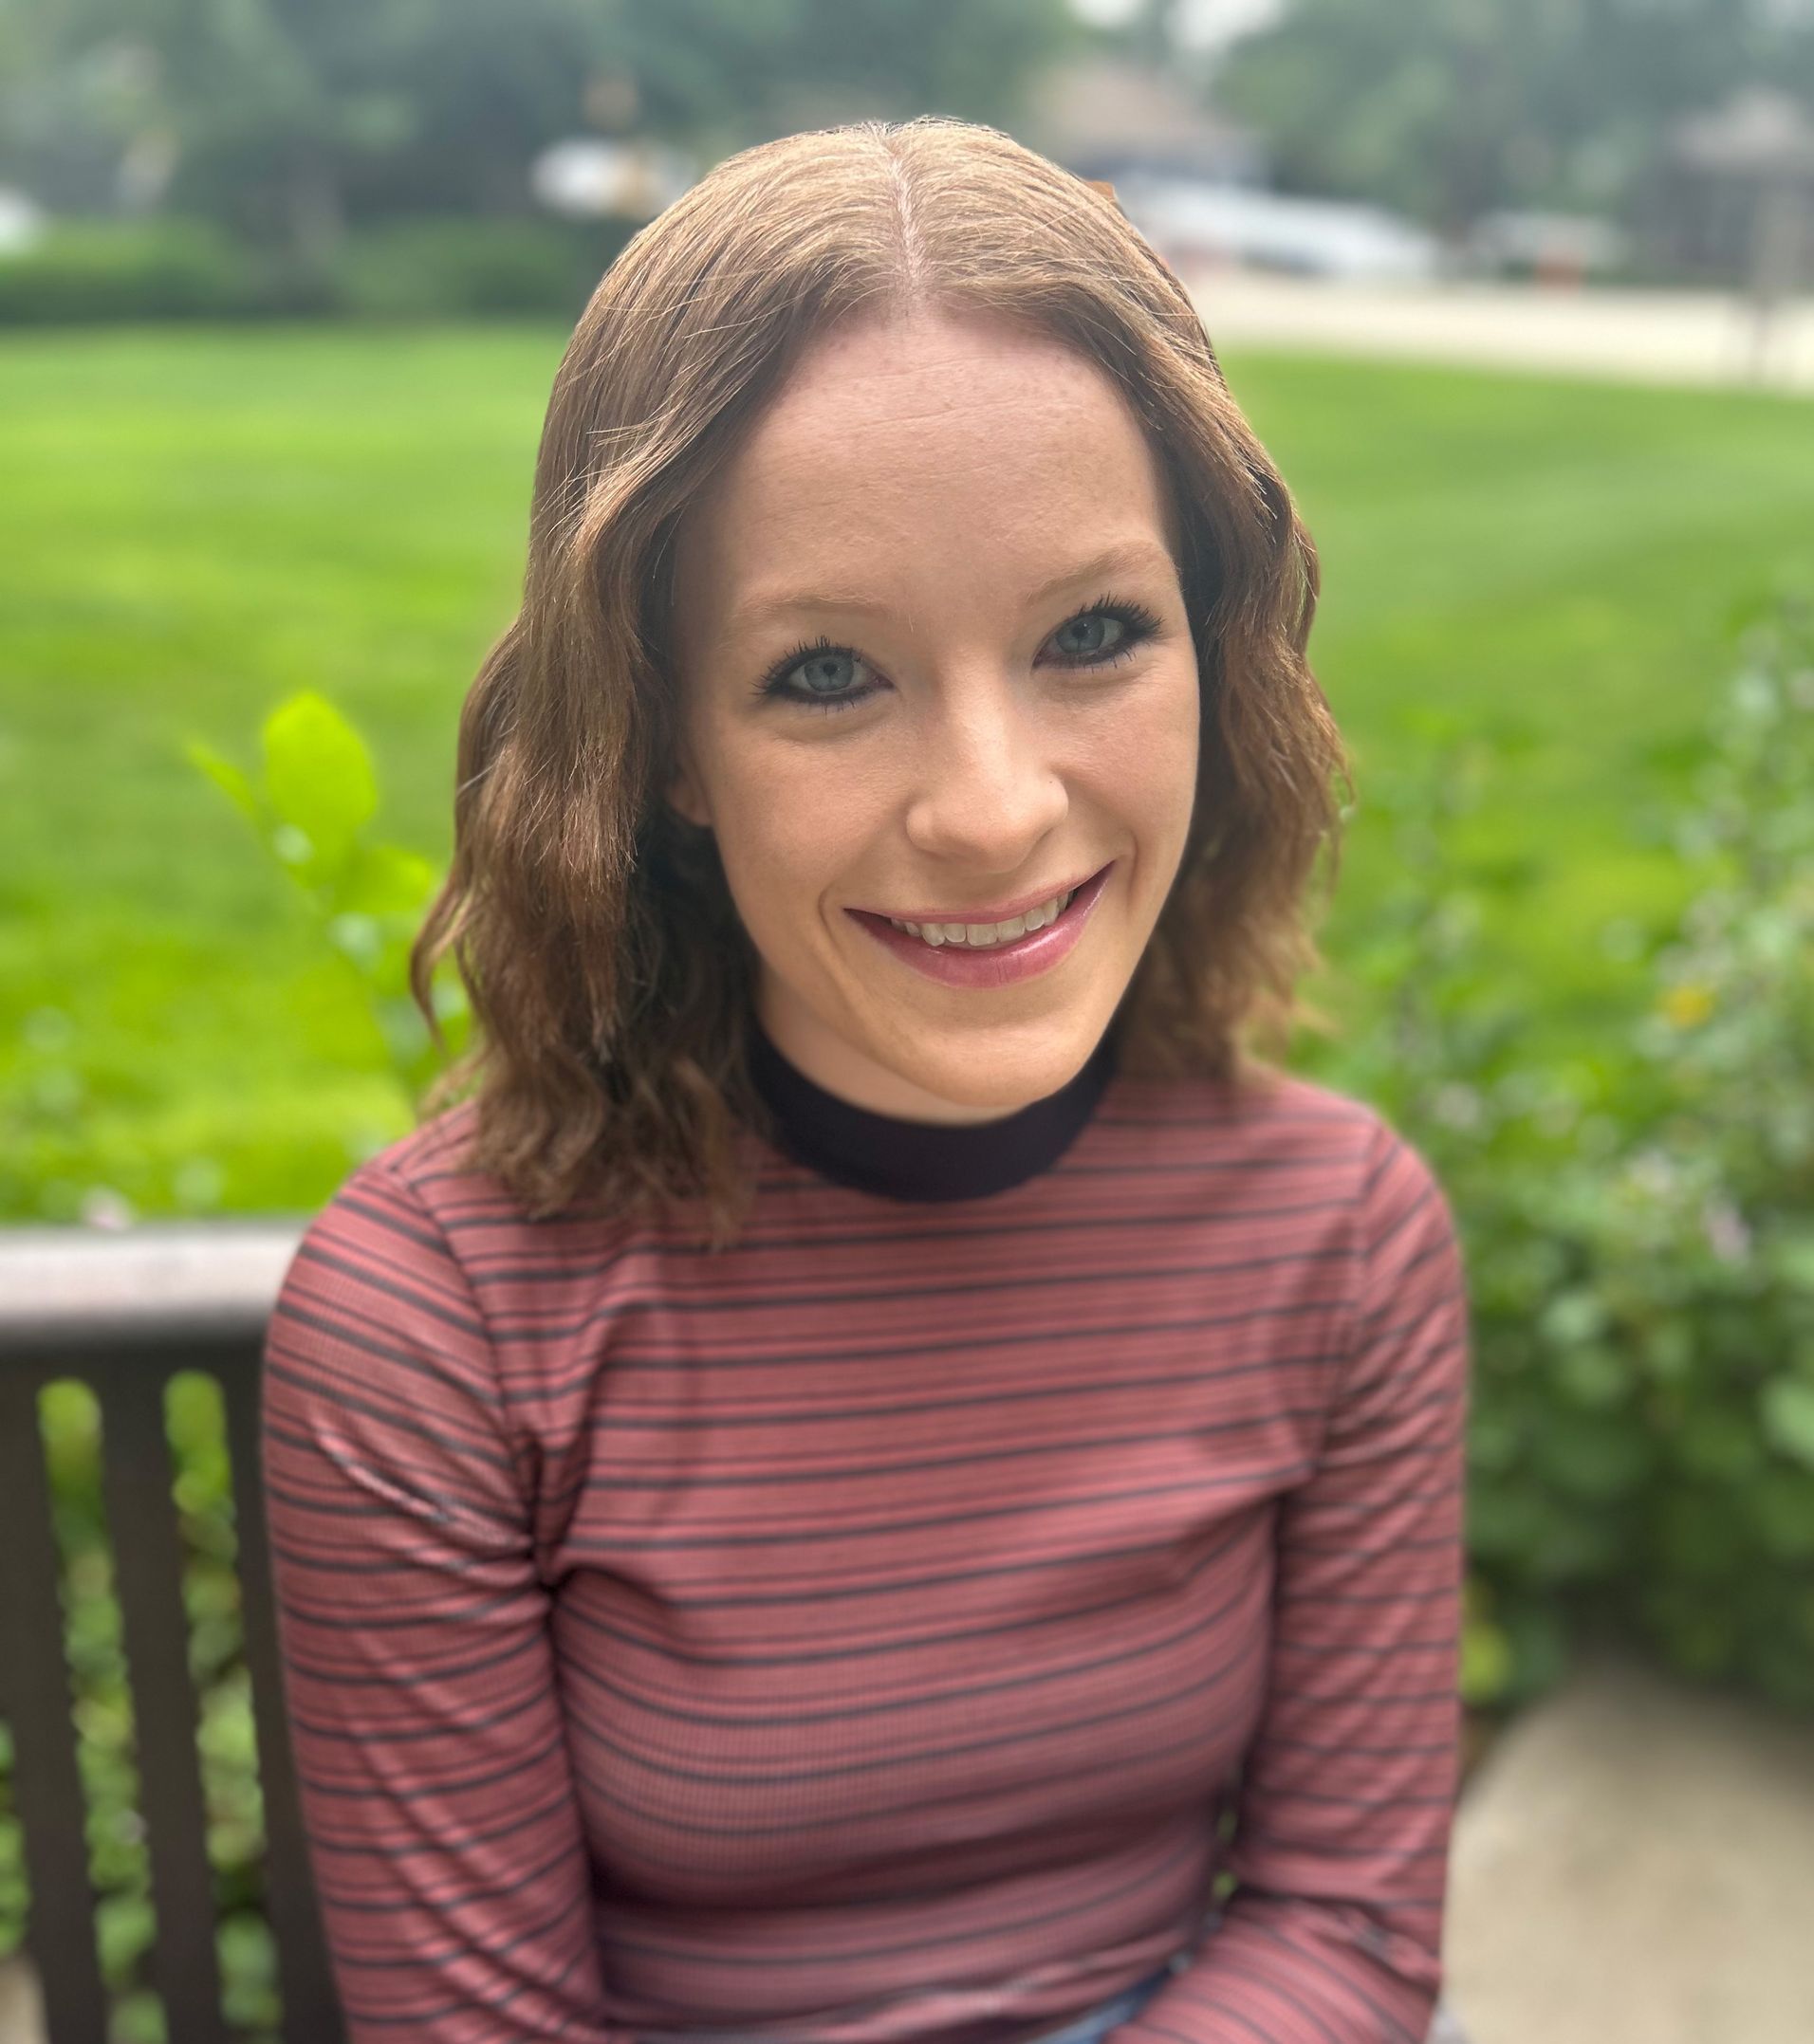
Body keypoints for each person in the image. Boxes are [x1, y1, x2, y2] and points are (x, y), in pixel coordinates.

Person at [260, 116, 1473, 2044]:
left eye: (1092, 633)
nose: (994, 811)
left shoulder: (1334, 1238)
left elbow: (1341, 1928)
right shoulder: (436, 1327)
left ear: (1211, 650)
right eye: (825, 673)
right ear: (656, 737)